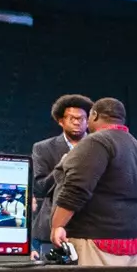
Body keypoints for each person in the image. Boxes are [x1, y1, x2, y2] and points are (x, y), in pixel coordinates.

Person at [49, 98, 137, 267]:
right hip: (135, 247)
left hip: (95, 244)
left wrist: (57, 226)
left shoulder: (96, 142)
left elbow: (76, 189)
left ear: (94, 115)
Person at [31, 93, 92, 259]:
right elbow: (40, 188)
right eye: (72, 118)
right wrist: (61, 167)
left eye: (82, 118)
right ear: (61, 121)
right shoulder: (43, 148)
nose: (77, 122)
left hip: (91, 229)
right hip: (51, 229)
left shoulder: (99, 148)